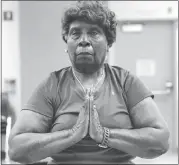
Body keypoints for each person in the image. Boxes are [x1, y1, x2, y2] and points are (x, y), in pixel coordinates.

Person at [8, 1, 170, 164]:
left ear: (109, 43)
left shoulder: (126, 82)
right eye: (75, 33)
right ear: (67, 42)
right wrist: (72, 135)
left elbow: (161, 141)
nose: (83, 40)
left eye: (94, 33)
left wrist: (105, 135)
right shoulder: (52, 85)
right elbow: (16, 148)